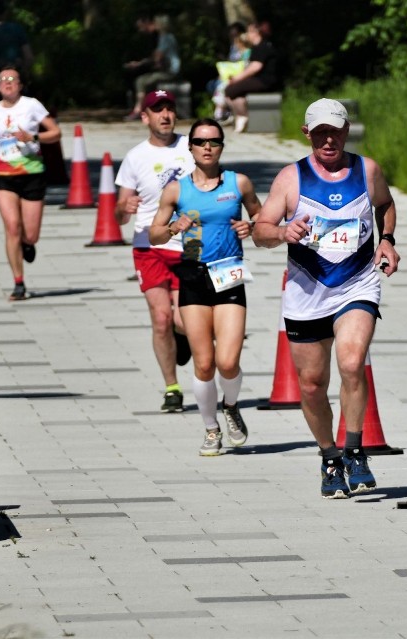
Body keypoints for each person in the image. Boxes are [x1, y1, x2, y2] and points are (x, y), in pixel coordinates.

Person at [252, 98, 400, 498]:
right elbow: (260, 228)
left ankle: (354, 449)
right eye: (320, 133)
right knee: (313, 384)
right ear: (307, 134)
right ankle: (329, 456)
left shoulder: (366, 171)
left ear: (347, 130)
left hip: (356, 283)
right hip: (306, 292)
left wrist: (386, 241)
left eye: (334, 131)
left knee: (352, 362)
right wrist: (282, 233)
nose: (328, 139)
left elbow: (385, 205)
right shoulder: (290, 179)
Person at [150, 118, 261, 456]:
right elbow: (153, 235)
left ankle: (230, 406)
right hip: (193, 277)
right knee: (204, 363)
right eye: (200, 141)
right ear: (191, 147)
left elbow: (265, 219)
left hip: (229, 276)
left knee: (228, 361)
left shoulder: (238, 183)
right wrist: (172, 227)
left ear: (222, 146)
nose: (207, 147)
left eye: (213, 141)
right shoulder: (176, 189)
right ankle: (211, 429)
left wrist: (250, 226)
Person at [115, 89, 195, 412]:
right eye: (157, 110)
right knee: (161, 318)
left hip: (188, 245)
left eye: (169, 109)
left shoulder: (192, 147)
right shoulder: (135, 157)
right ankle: (172, 388)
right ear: (145, 117)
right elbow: (119, 214)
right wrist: (125, 206)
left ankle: (187, 338)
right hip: (149, 246)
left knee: (182, 322)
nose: (165, 115)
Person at [0, 66, 61, 302]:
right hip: (3, 175)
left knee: (30, 235)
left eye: (13, 79)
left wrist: (33, 137)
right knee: (12, 227)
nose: (8, 83)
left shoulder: (32, 105)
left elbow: (55, 132)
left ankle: (27, 242)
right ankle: (18, 283)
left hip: (32, 172)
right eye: (3, 80)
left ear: (21, 85)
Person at [223, 21, 279, 133]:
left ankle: (243, 115)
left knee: (230, 89)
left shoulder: (262, 46)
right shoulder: (257, 47)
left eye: (249, 31)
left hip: (265, 81)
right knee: (236, 93)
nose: (247, 34)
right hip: (259, 80)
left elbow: (255, 66)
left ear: (255, 32)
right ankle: (241, 116)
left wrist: (237, 78)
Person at [123, 15, 181, 121]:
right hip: (169, 70)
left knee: (140, 81)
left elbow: (157, 56)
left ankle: (138, 110)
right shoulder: (168, 37)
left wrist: (139, 64)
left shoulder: (165, 37)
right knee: (147, 79)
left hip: (169, 72)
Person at [207, 22, 250, 121]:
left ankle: (222, 111)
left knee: (221, 87)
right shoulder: (233, 47)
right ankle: (222, 110)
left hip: (237, 76)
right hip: (230, 74)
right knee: (213, 85)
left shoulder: (246, 53)